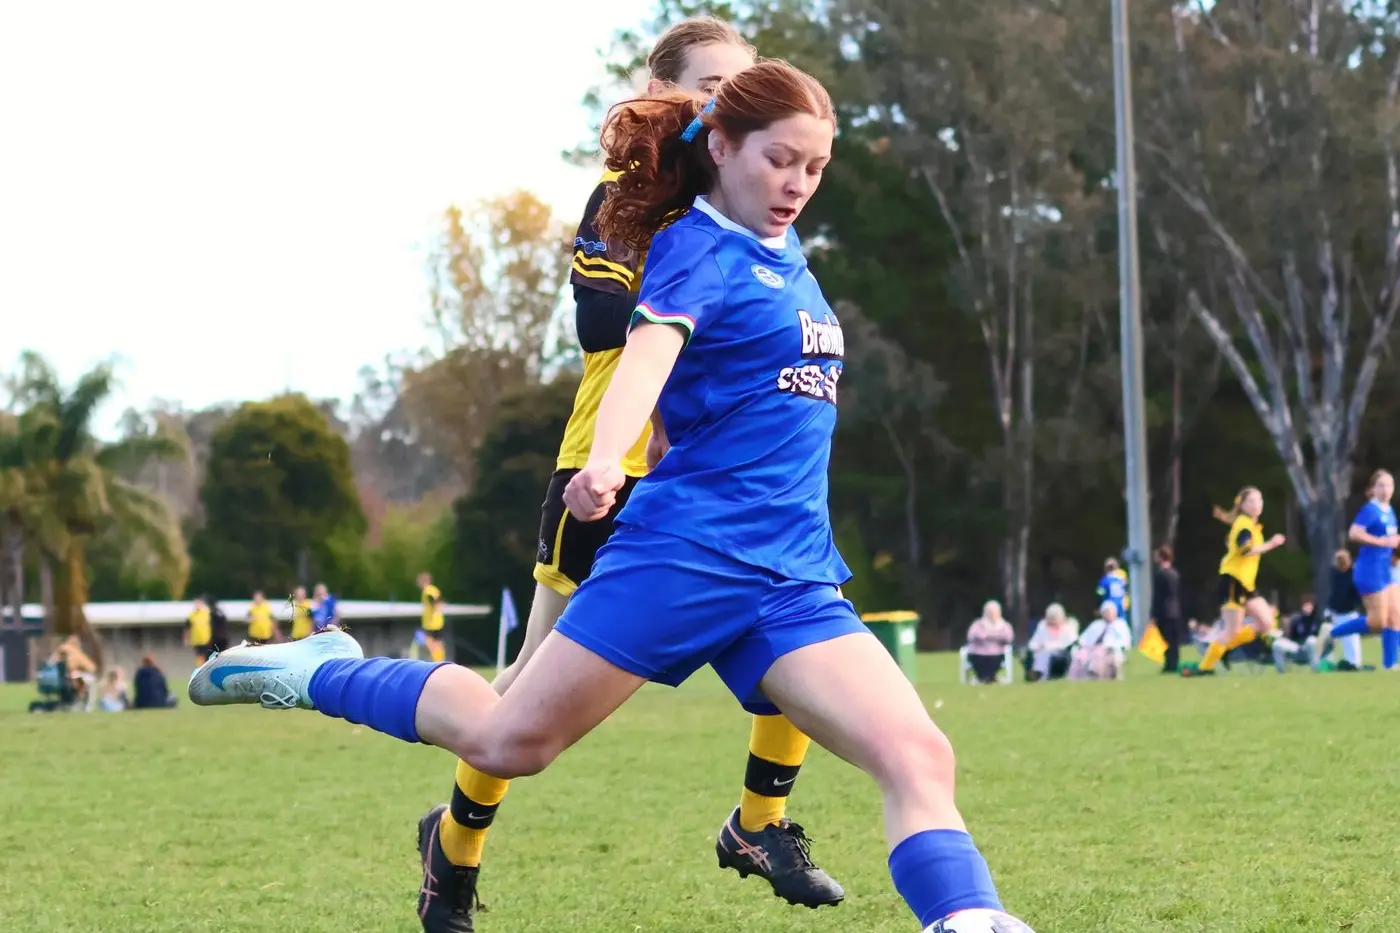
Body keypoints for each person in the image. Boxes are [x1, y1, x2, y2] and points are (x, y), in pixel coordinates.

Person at [188, 58, 1030, 933]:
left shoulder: (786, 253)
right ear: (725, 146)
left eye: (815, 169)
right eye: (781, 160)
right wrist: (604, 459)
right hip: (685, 557)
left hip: (789, 576)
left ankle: (970, 919)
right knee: (508, 737)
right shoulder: (697, 250)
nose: (798, 185)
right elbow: (647, 357)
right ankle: (322, 669)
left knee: (919, 754)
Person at [414, 18, 837, 933]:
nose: (728, 98)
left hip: (713, 482)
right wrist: (689, 285)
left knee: (798, 635)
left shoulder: (759, 209)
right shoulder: (639, 195)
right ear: (671, 97)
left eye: (743, 83)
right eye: (711, 85)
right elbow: (601, 319)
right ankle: (451, 851)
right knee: (522, 699)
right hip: (604, 471)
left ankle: (761, 825)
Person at [1183, 486, 1286, 677]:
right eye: (1252, 501)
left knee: (1266, 623)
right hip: (1233, 581)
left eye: (1260, 500)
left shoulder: (1250, 524)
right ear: (1243, 505)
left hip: (1246, 584)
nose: (1257, 505)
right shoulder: (1244, 523)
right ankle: (1205, 667)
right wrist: (1271, 544)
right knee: (1232, 631)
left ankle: (1224, 648)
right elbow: (1245, 549)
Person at [1324, 470, 1400, 669]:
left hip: (1386, 570)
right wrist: (1381, 541)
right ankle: (1331, 633)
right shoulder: (1370, 510)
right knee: (1377, 621)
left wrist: (1393, 548)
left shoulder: (1389, 511)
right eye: (1381, 485)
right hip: (1369, 570)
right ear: (1373, 489)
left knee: (1395, 617)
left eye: (1389, 485)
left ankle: (1390, 665)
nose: (1386, 490)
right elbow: (1354, 533)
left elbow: (1390, 541)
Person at [1068, 602, 1131, 680]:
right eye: (1106, 612)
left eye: (1110, 612)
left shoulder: (1120, 625)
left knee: (1099, 653)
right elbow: (1084, 638)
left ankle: (1095, 673)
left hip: (1111, 650)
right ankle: (1076, 678)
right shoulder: (1096, 624)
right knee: (1080, 654)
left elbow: (1125, 641)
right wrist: (1082, 645)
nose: (1108, 614)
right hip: (1092, 648)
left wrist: (1110, 646)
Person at [1024, 603, 1077, 682]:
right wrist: (1036, 648)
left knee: (1046, 653)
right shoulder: (1042, 626)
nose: (1053, 622)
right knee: (1042, 654)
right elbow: (1034, 643)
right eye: (1051, 620)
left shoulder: (1069, 627)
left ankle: (1039, 675)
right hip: (1042, 652)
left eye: (1055, 619)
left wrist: (1051, 646)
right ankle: (1037, 675)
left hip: (1061, 654)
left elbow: (1072, 642)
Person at [1149, 545, 1182, 673]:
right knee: (1174, 639)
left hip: (1164, 611)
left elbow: (1157, 596)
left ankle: (1169, 664)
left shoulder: (1160, 574)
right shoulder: (1175, 573)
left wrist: (1153, 614)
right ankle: (1174, 662)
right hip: (1175, 609)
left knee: (1165, 639)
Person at [964, 601, 1014, 684]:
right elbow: (971, 636)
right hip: (978, 653)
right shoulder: (977, 624)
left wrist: (995, 638)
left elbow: (1009, 638)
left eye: (994, 612)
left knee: (994, 661)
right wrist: (984, 637)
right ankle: (984, 678)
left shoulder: (1005, 626)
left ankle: (988, 678)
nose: (992, 614)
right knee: (979, 661)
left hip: (997, 653)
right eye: (990, 612)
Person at [417, 572, 447, 663]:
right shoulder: (434, 589)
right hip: (438, 621)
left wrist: (436, 605)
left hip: (431, 623)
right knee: (438, 642)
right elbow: (440, 599)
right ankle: (441, 660)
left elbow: (434, 600)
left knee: (430, 642)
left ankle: (437, 661)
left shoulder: (427, 590)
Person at [185, 597, 213, 662]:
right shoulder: (191, 615)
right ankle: (201, 668)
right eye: (196, 604)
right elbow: (187, 628)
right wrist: (186, 639)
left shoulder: (207, 614)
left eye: (199, 604)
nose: (197, 605)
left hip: (206, 640)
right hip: (196, 641)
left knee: (207, 656)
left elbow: (212, 626)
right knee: (199, 657)